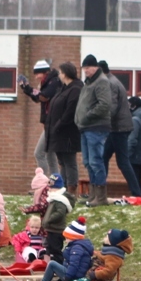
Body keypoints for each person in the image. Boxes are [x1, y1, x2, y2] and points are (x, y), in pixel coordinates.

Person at [41, 228, 132, 281]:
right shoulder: (109, 253)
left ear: (112, 242)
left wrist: (95, 274)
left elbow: (109, 271)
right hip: (93, 277)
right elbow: (101, 255)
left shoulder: (114, 257)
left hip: (98, 280)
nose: (104, 238)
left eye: (107, 237)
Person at [75, 55, 114, 206]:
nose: (85, 71)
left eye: (88, 68)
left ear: (95, 67)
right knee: (88, 162)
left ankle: (101, 197)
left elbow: (104, 104)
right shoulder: (89, 83)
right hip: (85, 127)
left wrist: (87, 116)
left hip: (96, 127)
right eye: (84, 68)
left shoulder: (101, 82)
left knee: (96, 161)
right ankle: (93, 195)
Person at [100, 60, 141, 197]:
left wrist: (101, 121)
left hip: (118, 128)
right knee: (104, 157)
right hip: (117, 127)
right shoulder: (112, 80)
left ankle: (136, 193)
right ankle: (100, 189)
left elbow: (112, 107)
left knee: (122, 162)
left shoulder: (110, 83)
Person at [21, 59, 63, 176]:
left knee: (39, 153)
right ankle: (54, 180)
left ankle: (43, 180)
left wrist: (28, 89)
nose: (36, 77)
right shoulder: (46, 82)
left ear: (44, 72)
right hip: (49, 123)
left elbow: (44, 96)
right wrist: (26, 89)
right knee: (50, 155)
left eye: (37, 74)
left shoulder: (53, 82)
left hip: (53, 123)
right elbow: (37, 98)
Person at [48, 62, 84, 197]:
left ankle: (71, 190)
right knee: (62, 162)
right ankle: (62, 188)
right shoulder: (63, 88)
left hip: (68, 132)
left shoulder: (75, 89)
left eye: (60, 72)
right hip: (58, 132)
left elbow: (70, 111)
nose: (59, 75)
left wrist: (59, 124)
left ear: (66, 74)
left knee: (69, 161)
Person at [41, 217, 92, 281]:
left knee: (52, 264)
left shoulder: (77, 248)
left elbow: (74, 265)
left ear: (73, 237)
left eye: (67, 237)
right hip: (75, 274)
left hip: (74, 277)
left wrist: (66, 279)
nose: (65, 239)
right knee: (54, 265)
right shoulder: (76, 246)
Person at [41, 174, 72, 263]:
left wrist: (49, 219)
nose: (50, 189)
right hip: (51, 229)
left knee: (56, 249)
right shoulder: (54, 199)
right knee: (50, 249)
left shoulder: (60, 200)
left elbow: (60, 213)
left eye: (52, 187)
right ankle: (52, 264)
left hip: (56, 229)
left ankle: (59, 264)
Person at [128, 97, 141, 186]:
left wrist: (127, 155)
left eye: (129, 104)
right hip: (140, 156)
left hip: (134, 156)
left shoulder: (135, 120)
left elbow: (132, 140)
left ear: (134, 106)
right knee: (137, 181)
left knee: (134, 182)